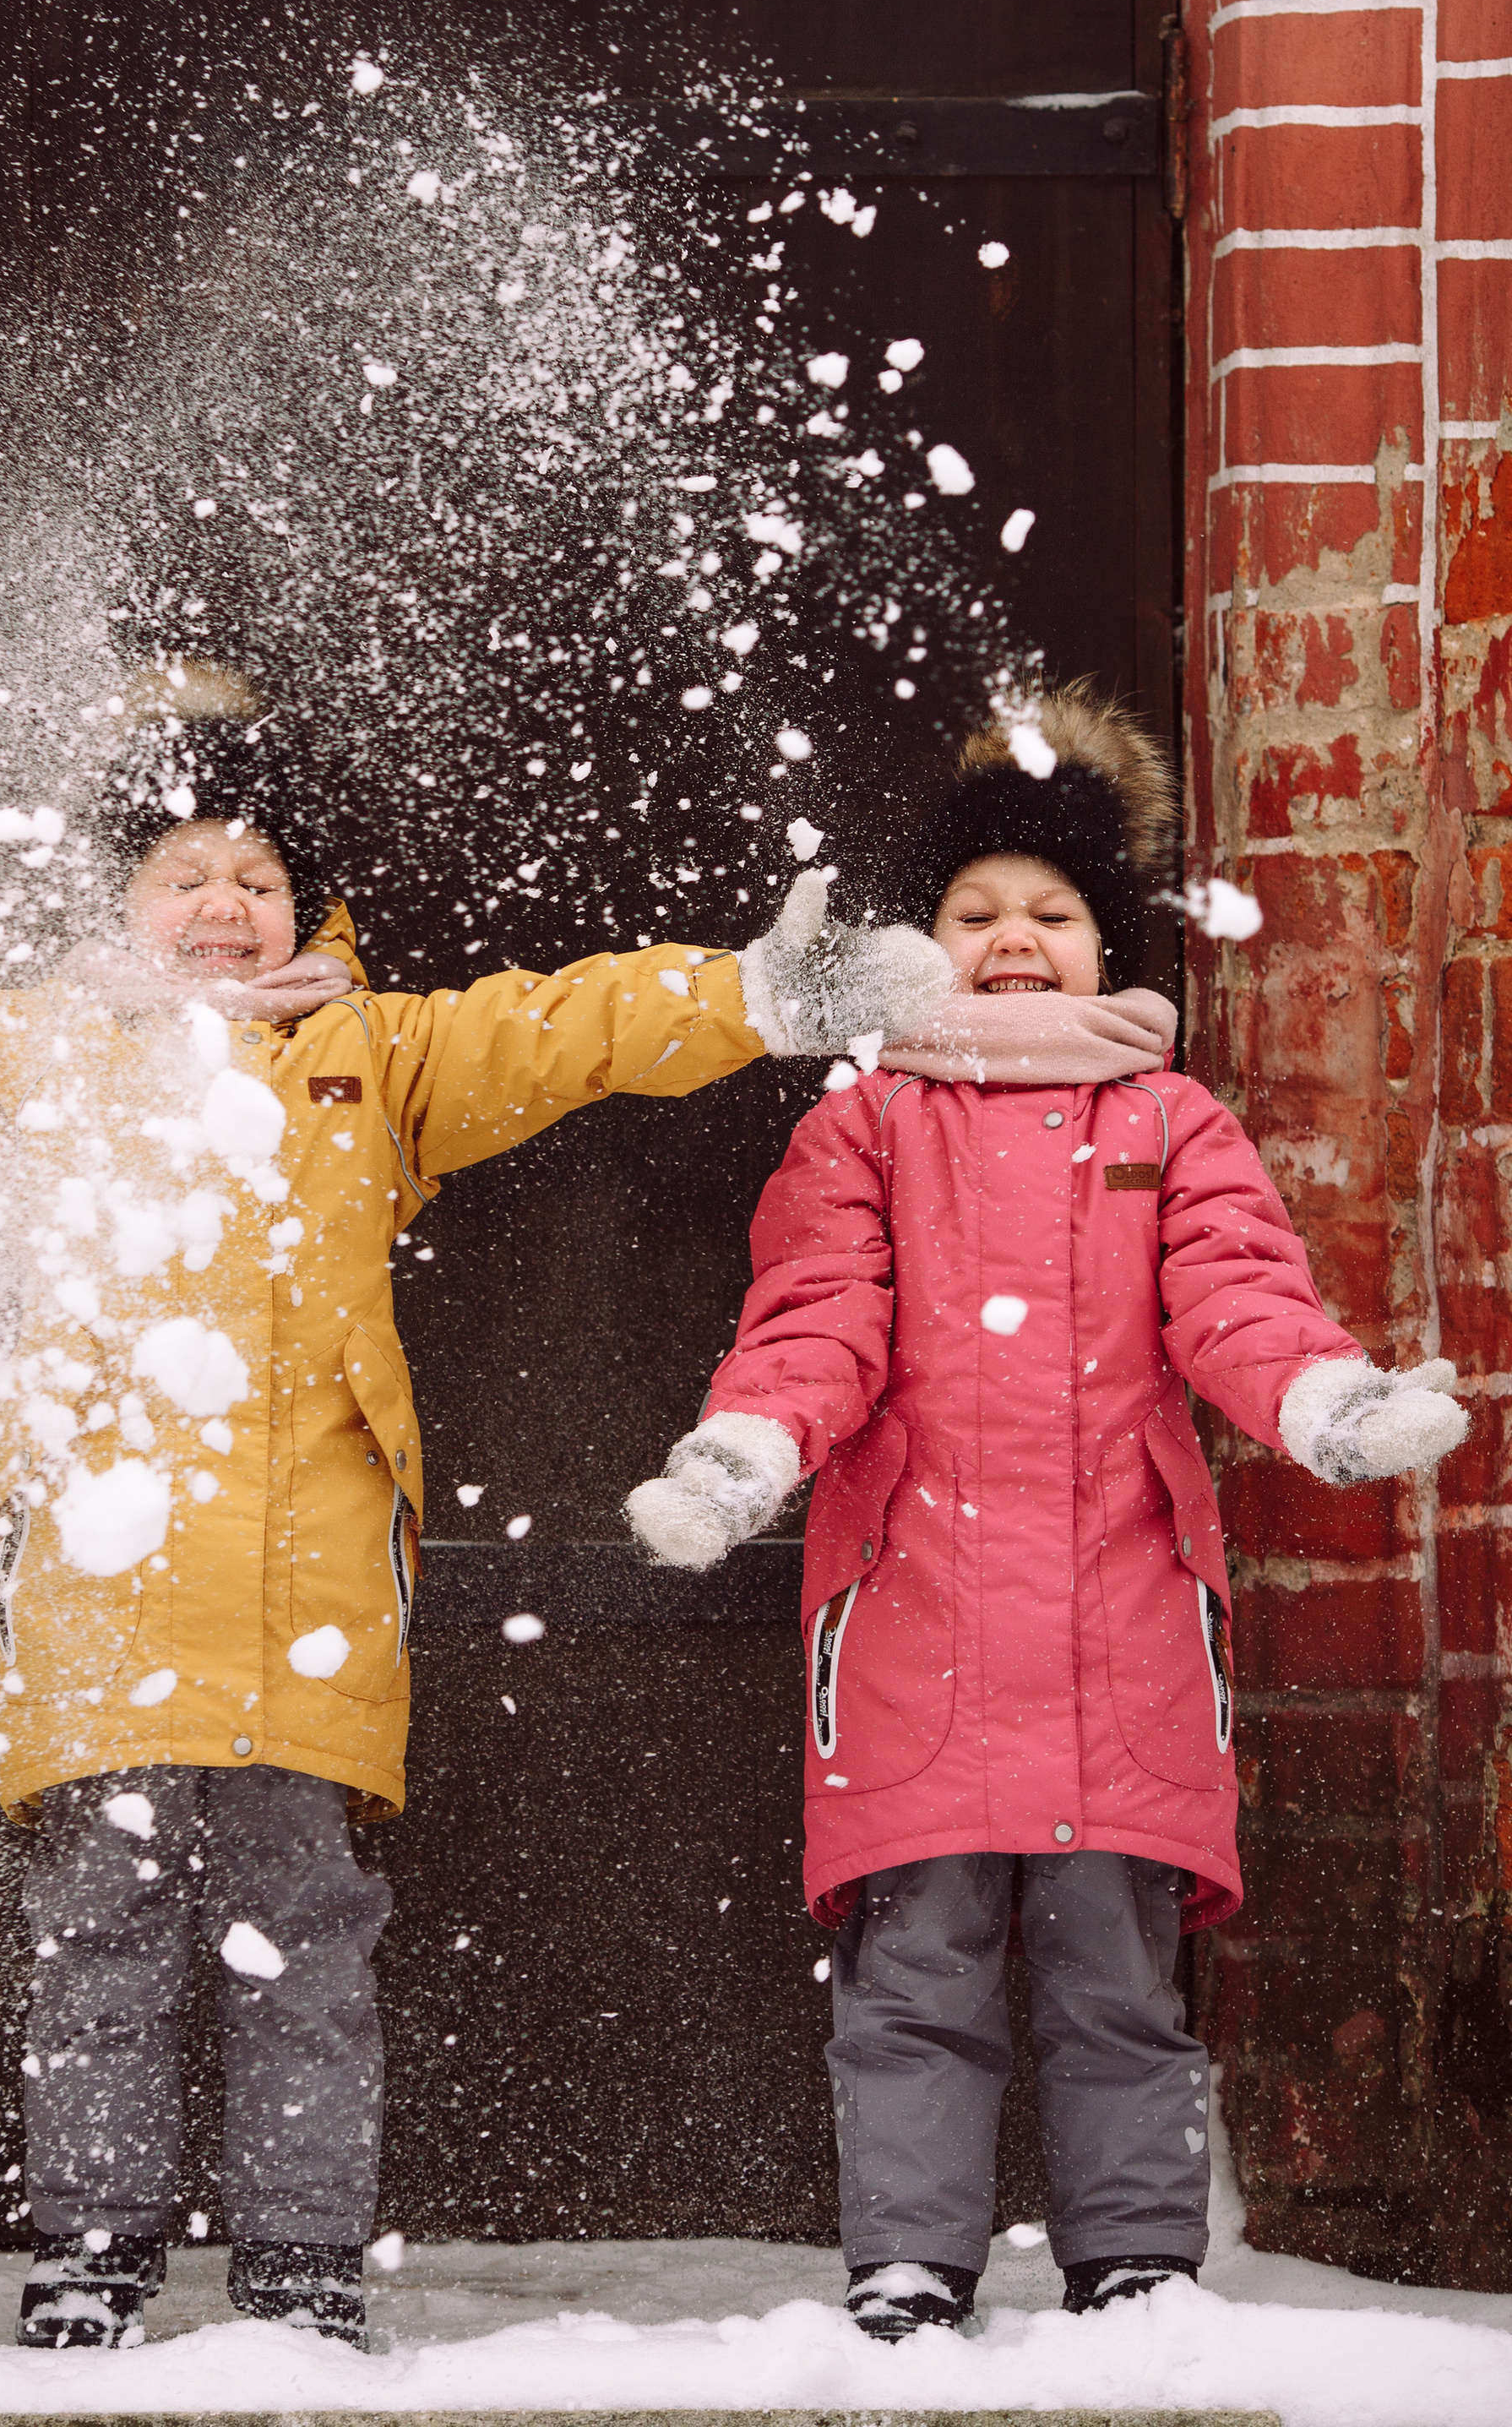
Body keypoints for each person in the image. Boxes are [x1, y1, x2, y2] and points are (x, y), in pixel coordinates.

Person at [0, 687, 952, 2351]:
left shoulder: (373, 1060)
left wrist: (738, 995)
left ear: (309, 910)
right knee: (103, 1947)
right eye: (185, 872)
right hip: (104, 1595)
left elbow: (559, 1027)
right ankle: (91, 2256)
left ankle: (298, 2268)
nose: (226, 906)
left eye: (259, 879)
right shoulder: (36, 1055)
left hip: (312, 1595)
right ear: (122, 901)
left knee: (305, 1943)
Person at [625, 682, 1470, 2344]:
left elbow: (1236, 1299)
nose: (1012, 940)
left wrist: (1327, 1401)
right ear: (919, 943)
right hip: (910, 1621)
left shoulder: (1167, 1127)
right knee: (914, 1977)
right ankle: (906, 2266)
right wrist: (743, 1450)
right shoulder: (863, 1123)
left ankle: (1136, 2265)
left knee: (1117, 1989)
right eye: (973, 913)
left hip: (1122, 1627)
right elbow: (819, 1316)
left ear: (1105, 943)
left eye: (1050, 913)